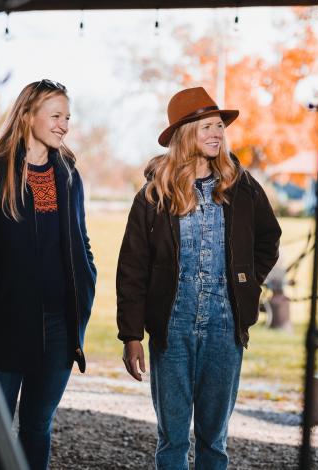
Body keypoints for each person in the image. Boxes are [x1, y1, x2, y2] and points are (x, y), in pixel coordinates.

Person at [116, 86, 281, 469]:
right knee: (172, 439)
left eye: (220, 127)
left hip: (225, 330)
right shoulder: (154, 196)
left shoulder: (239, 186)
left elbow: (268, 239)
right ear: (185, 133)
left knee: (214, 440)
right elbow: (132, 269)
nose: (217, 134)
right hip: (170, 330)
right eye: (207, 127)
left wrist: (245, 281)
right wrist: (130, 335)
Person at [0, 79, 97, 470]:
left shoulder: (68, 174)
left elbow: (80, 241)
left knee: (37, 429)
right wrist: (1, 290)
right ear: (28, 115)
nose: (65, 125)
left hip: (61, 327)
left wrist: (86, 283)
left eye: (68, 117)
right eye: (57, 115)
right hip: (4, 325)